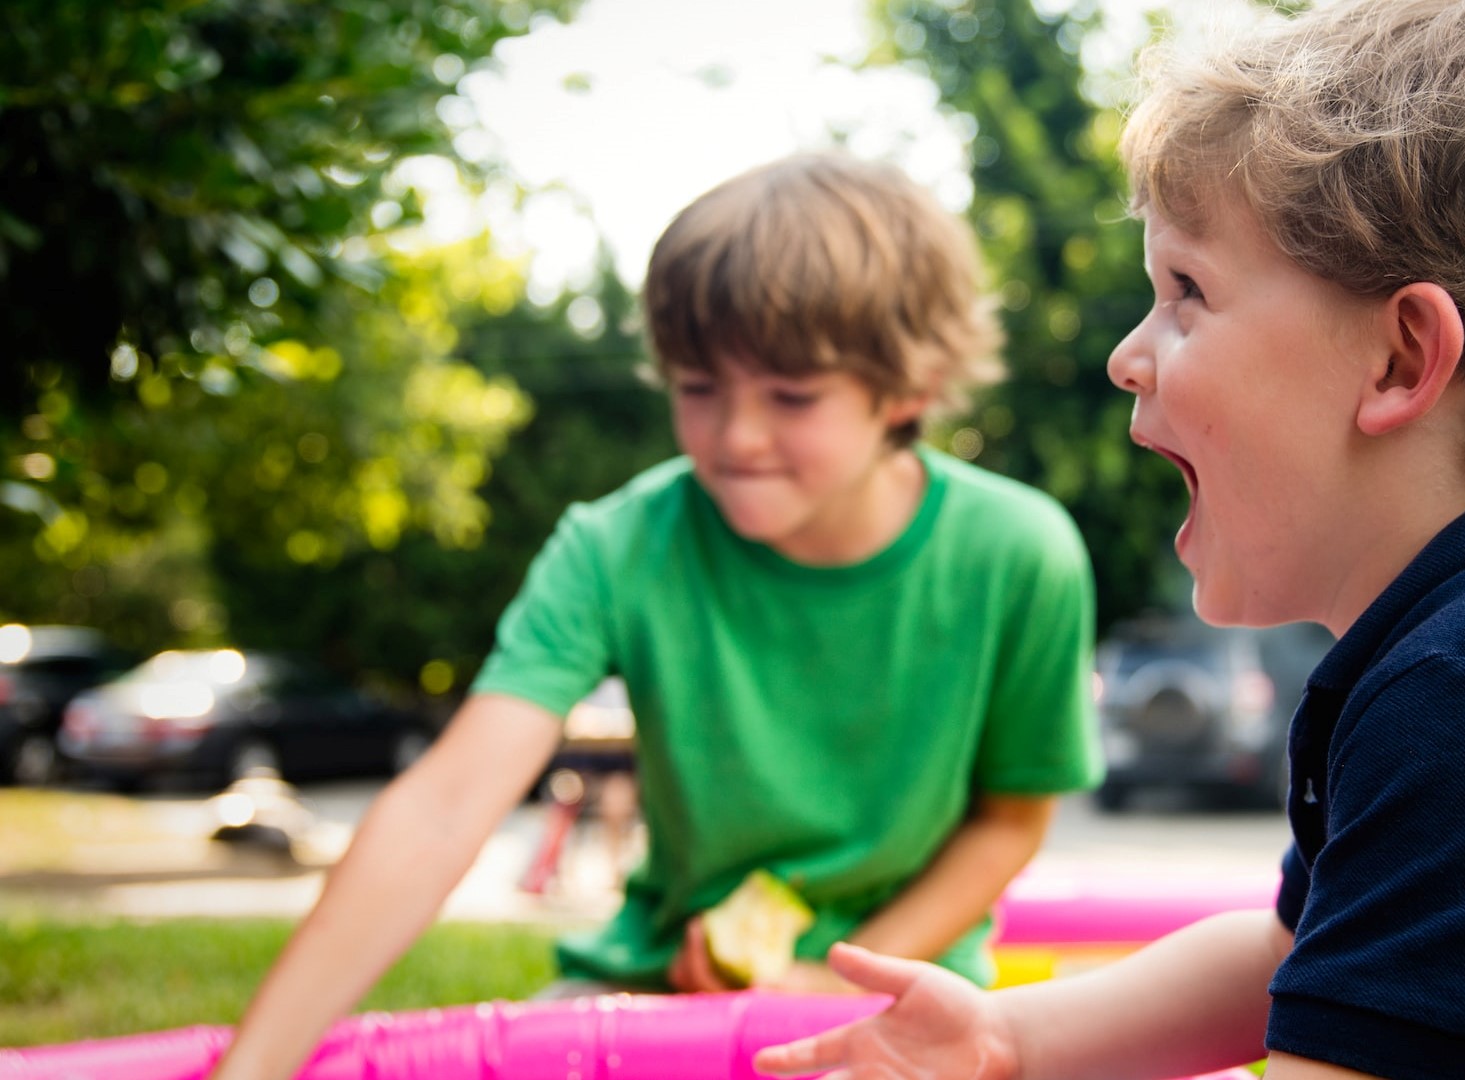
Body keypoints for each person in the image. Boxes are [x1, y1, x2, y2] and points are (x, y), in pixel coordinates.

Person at [754, 1, 1465, 1077]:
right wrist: (1006, 1038)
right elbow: (1292, 957)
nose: (1126, 351)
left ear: (1404, 359)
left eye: (1186, 291)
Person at [208, 151, 1103, 1078]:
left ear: (907, 390)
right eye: (697, 388)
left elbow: (1010, 818)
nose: (736, 436)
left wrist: (834, 978)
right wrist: (255, 1069)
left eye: (792, 396)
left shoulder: (1019, 553)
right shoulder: (614, 546)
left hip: (908, 991)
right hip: (652, 984)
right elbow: (445, 806)